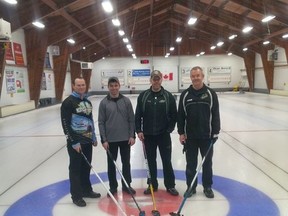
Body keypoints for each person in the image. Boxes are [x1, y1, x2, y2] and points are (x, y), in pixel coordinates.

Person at [177, 66, 220, 198]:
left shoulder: (210, 94)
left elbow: (215, 114)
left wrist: (215, 132)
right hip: (190, 137)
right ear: (190, 77)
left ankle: (207, 186)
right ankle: (191, 187)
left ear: (202, 76)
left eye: (198, 75)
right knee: (191, 163)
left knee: (207, 163)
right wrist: (181, 133)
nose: (196, 78)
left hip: (207, 137)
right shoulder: (185, 94)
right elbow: (181, 116)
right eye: (193, 76)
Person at [135, 70, 179, 196]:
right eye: (154, 78)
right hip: (148, 136)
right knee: (150, 162)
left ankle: (170, 185)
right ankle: (152, 185)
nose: (156, 81)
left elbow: (174, 115)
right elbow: (138, 115)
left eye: (158, 78)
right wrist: (139, 130)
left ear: (161, 80)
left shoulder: (168, 96)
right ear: (150, 80)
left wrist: (169, 129)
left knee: (166, 161)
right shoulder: (143, 96)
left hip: (163, 135)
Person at [61, 77, 101, 207]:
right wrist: (73, 141)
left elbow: (90, 120)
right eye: (78, 85)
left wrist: (93, 136)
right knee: (75, 169)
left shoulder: (87, 102)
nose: (81, 87)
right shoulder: (68, 102)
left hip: (87, 141)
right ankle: (77, 196)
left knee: (86, 167)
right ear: (73, 86)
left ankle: (86, 190)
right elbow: (65, 124)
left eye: (83, 85)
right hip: (76, 143)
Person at [98, 77, 136, 196]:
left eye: (116, 85)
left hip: (125, 139)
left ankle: (126, 185)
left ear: (119, 86)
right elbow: (101, 122)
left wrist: (132, 135)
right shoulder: (104, 103)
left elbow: (131, 120)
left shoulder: (126, 101)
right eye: (111, 86)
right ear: (108, 87)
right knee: (111, 165)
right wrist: (104, 139)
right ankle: (113, 187)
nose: (114, 88)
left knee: (126, 163)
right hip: (110, 140)